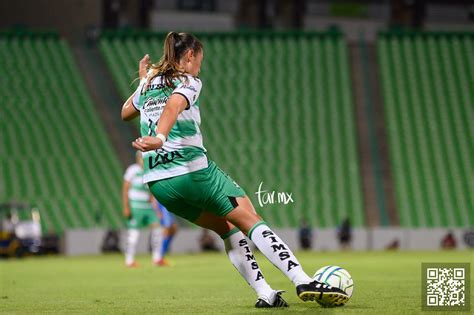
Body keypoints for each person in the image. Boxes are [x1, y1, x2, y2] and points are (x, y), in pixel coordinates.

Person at [121, 31, 347, 308]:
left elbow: (125, 112)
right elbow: (174, 104)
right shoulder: (189, 80)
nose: (199, 66)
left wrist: (143, 82)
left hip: (159, 183)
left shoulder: (149, 83)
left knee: (227, 228)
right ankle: (302, 279)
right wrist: (162, 137)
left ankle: (266, 293)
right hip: (193, 173)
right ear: (190, 55)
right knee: (249, 217)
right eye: (199, 60)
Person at [122, 151, 164, 267]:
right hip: (135, 206)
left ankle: (157, 258)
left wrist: (157, 210)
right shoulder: (132, 170)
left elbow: (151, 193)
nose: (143, 160)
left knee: (158, 229)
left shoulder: (150, 171)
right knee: (134, 234)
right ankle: (129, 260)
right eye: (141, 158)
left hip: (147, 206)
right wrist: (126, 207)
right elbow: (125, 189)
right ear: (137, 158)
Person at [152, 199, 178, 265]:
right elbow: (152, 195)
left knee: (173, 229)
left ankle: (160, 256)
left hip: (167, 204)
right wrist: (157, 210)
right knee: (166, 230)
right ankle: (158, 258)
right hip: (161, 204)